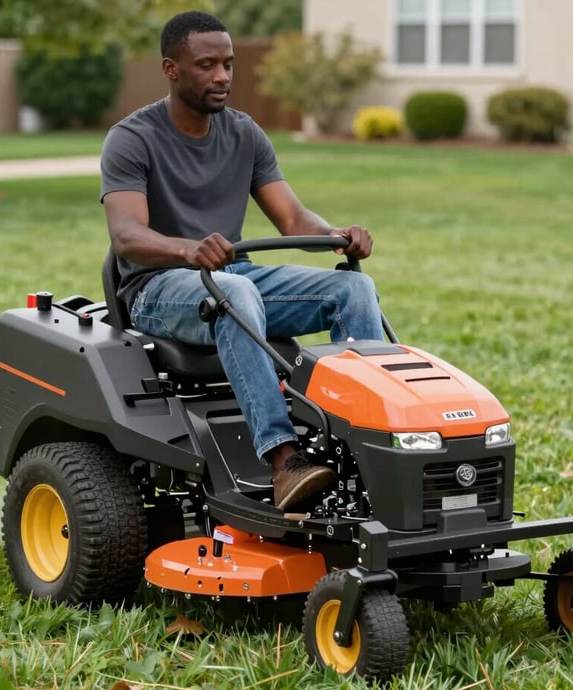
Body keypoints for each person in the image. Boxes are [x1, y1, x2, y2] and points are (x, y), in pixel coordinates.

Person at [100, 10, 384, 511]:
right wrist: (187, 249)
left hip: (232, 277)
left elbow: (293, 218)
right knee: (235, 294)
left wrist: (334, 235)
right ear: (170, 69)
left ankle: (369, 446)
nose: (222, 76)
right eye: (207, 65)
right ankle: (284, 460)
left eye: (228, 64)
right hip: (158, 289)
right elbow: (126, 235)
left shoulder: (244, 133)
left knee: (352, 289)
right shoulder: (132, 138)